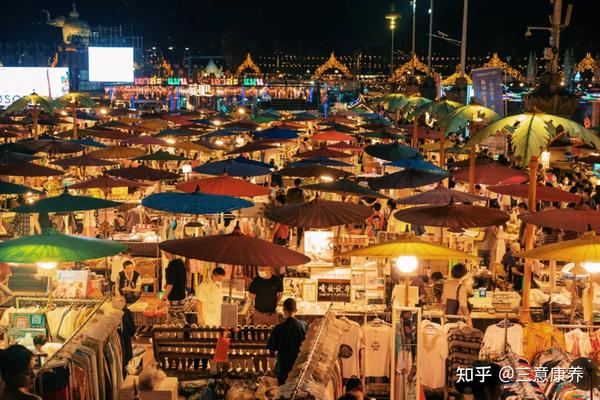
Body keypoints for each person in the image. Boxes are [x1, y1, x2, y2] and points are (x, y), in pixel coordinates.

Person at [266, 298, 307, 385]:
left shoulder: (278, 329)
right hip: (299, 369)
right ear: (296, 310)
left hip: (283, 370)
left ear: (284, 310)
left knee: (283, 393)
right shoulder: (303, 326)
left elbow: (272, 351)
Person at [161, 256, 187, 323]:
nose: (165, 254)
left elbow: (170, 284)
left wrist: (163, 299)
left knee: (174, 322)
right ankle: (185, 332)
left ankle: (184, 332)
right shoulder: (180, 262)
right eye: (164, 252)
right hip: (181, 297)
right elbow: (175, 278)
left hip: (174, 298)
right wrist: (166, 284)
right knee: (180, 320)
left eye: (167, 252)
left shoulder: (173, 265)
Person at [287, 178, 306, 248]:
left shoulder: (289, 191)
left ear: (294, 183)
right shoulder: (302, 192)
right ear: (300, 184)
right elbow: (303, 202)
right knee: (300, 227)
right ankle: (298, 242)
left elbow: (288, 200)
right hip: (299, 211)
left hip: (291, 210)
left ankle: (288, 241)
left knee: (288, 226)